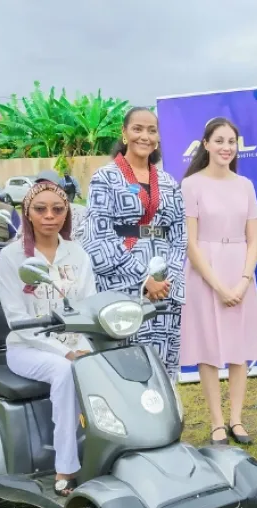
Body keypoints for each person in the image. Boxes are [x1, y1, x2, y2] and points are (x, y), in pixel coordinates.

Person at [0, 181, 96, 496]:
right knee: (65, 372)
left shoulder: (77, 253)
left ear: (67, 212)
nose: (49, 216)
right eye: (40, 209)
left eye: (58, 209)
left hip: (75, 342)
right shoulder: (12, 257)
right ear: (27, 212)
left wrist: (85, 348)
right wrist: (63, 352)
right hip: (27, 347)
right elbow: (17, 321)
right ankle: (65, 468)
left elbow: (88, 305)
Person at [83, 107, 187, 379]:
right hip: (123, 286)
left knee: (163, 366)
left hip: (165, 289)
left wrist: (168, 278)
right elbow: (98, 236)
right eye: (138, 129)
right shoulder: (104, 178)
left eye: (152, 130)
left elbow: (179, 234)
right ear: (125, 133)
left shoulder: (167, 181)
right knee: (125, 367)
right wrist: (144, 280)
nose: (145, 136)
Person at [181, 118, 257, 446]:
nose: (225, 147)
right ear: (206, 144)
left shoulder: (245, 185)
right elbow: (191, 242)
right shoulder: (191, 185)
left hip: (240, 268)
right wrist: (218, 286)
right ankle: (217, 422)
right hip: (205, 273)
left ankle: (237, 419)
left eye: (231, 141)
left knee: (238, 348)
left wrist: (244, 281)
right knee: (208, 348)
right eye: (219, 141)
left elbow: (254, 238)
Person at [34, 170, 87, 242]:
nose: (45, 191)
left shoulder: (79, 213)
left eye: (50, 187)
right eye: (40, 187)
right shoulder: (31, 214)